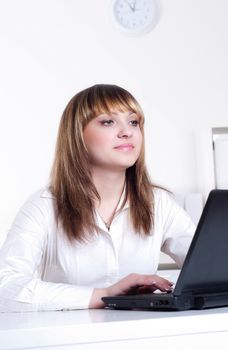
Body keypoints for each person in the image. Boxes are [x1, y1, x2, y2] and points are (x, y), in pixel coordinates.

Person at [0, 84, 196, 312]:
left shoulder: (158, 202)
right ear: (77, 135)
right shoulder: (45, 205)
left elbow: (210, 266)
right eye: (108, 122)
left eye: (133, 122)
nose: (127, 132)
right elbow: (6, 287)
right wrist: (105, 295)